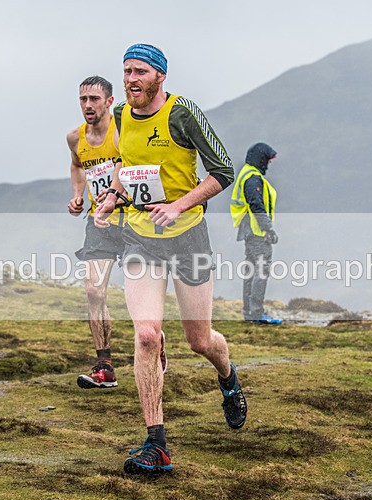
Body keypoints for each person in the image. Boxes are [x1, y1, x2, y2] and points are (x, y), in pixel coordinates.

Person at [95, 44, 247, 475]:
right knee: (146, 336)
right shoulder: (121, 116)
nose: (130, 80)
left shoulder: (183, 114)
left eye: (139, 72)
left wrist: (179, 205)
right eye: (126, 72)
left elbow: (223, 171)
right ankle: (156, 444)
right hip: (142, 239)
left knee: (200, 341)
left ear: (160, 76)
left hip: (188, 238)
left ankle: (228, 376)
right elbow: (129, 168)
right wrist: (112, 198)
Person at [66, 75, 126, 389]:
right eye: (83, 99)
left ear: (109, 102)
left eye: (94, 99)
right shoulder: (75, 137)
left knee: (141, 296)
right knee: (93, 290)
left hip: (132, 222)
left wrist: (114, 201)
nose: (88, 106)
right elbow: (77, 165)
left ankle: (154, 341)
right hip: (97, 224)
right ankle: (104, 366)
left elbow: (130, 169)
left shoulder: (124, 130)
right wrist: (78, 196)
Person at [230, 142, 283, 325]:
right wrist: (269, 229)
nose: (268, 165)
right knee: (260, 270)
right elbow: (257, 206)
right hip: (256, 231)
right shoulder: (253, 179)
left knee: (251, 271)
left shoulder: (247, 174)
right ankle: (256, 313)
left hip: (248, 231)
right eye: (267, 161)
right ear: (261, 159)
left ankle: (250, 313)